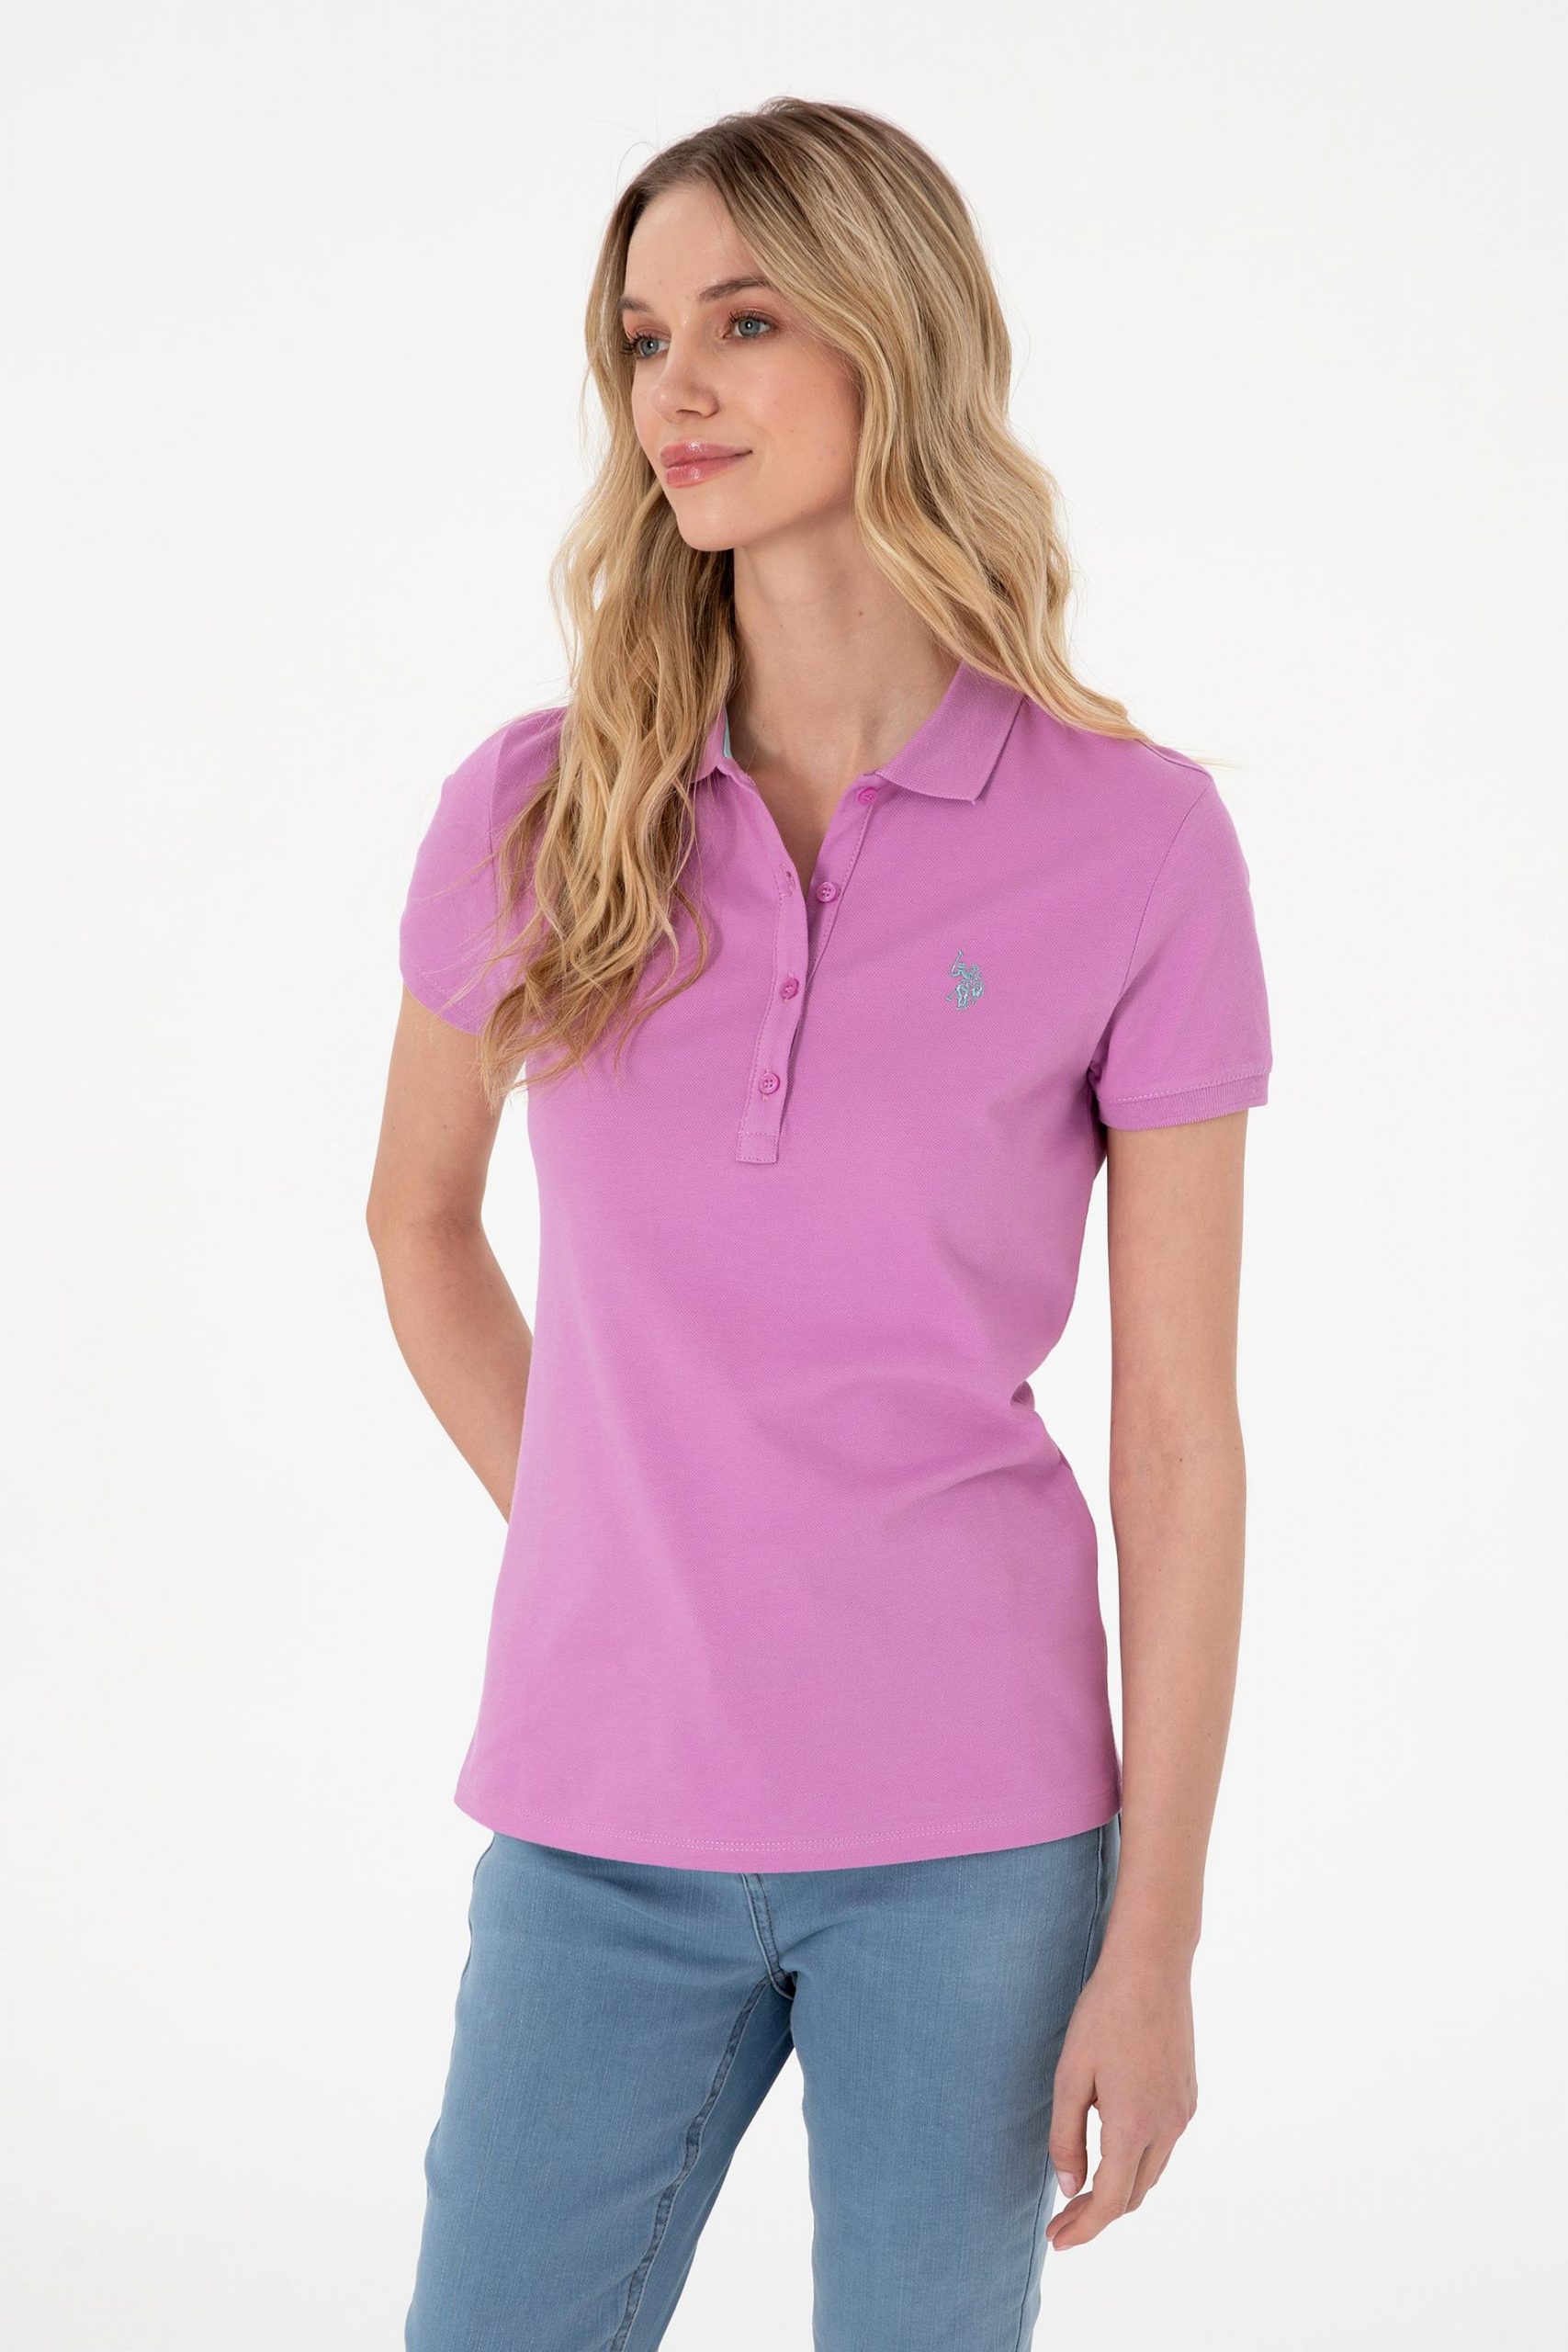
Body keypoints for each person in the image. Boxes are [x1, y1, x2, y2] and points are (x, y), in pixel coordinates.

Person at [367, 96, 1272, 2352]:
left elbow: (1178, 1440)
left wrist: (1152, 1937)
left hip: (977, 1840)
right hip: (596, 1814)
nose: (673, 385)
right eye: (641, 335)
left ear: (897, 337)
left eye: (744, 322)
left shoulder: (1135, 841)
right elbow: (416, 1220)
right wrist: (622, 1530)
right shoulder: (538, 807)